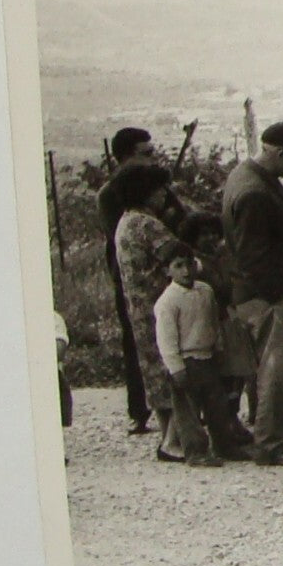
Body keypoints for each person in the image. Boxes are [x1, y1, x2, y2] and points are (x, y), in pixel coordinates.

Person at [221, 122, 283, 466]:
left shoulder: (246, 176)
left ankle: (275, 437)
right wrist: (282, 297)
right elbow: (253, 258)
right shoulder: (255, 192)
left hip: (263, 295)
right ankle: (272, 443)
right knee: (278, 372)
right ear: (279, 152)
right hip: (270, 299)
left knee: (275, 369)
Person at [95, 127, 183, 434]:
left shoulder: (153, 184)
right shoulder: (112, 193)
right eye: (146, 153)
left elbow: (180, 219)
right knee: (139, 342)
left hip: (161, 271)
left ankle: (173, 412)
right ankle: (142, 409)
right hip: (133, 276)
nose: (152, 158)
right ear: (126, 156)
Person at [112, 163, 196, 462]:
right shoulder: (148, 225)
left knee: (155, 374)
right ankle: (173, 440)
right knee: (175, 369)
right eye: (159, 189)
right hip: (162, 306)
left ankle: (169, 436)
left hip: (139, 308)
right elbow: (178, 254)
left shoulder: (125, 223)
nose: (164, 194)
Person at [153, 241, 247, 464]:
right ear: (167, 270)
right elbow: (166, 339)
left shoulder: (205, 291)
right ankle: (196, 452)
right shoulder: (167, 301)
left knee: (217, 406)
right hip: (186, 360)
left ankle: (225, 446)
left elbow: (213, 323)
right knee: (188, 411)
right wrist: (176, 367)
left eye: (189, 264)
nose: (186, 271)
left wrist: (218, 347)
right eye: (178, 266)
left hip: (208, 357)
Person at [177, 212, 256, 441]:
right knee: (220, 378)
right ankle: (222, 425)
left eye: (213, 233)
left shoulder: (219, 257)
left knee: (235, 375)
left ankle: (232, 419)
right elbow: (220, 288)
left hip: (226, 320)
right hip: (209, 323)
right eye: (204, 234)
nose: (210, 238)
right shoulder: (197, 264)